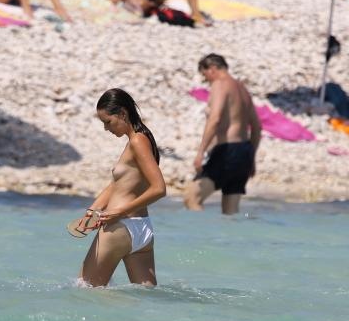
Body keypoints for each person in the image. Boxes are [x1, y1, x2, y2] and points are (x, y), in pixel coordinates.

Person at [77, 88, 166, 287]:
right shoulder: (143, 138)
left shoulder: (137, 141)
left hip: (120, 228)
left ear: (123, 114)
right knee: (146, 300)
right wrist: (92, 210)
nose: (107, 129)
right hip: (142, 230)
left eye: (108, 122)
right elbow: (118, 185)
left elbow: (159, 188)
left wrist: (118, 212)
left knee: (84, 292)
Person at [184, 54, 261, 215]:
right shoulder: (242, 88)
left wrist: (201, 152)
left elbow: (215, 118)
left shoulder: (220, 84)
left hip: (227, 152)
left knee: (192, 198)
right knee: (231, 213)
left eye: (205, 77)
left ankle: (202, 240)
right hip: (244, 152)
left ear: (212, 69)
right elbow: (256, 126)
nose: (207, 82)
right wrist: (251, 158)